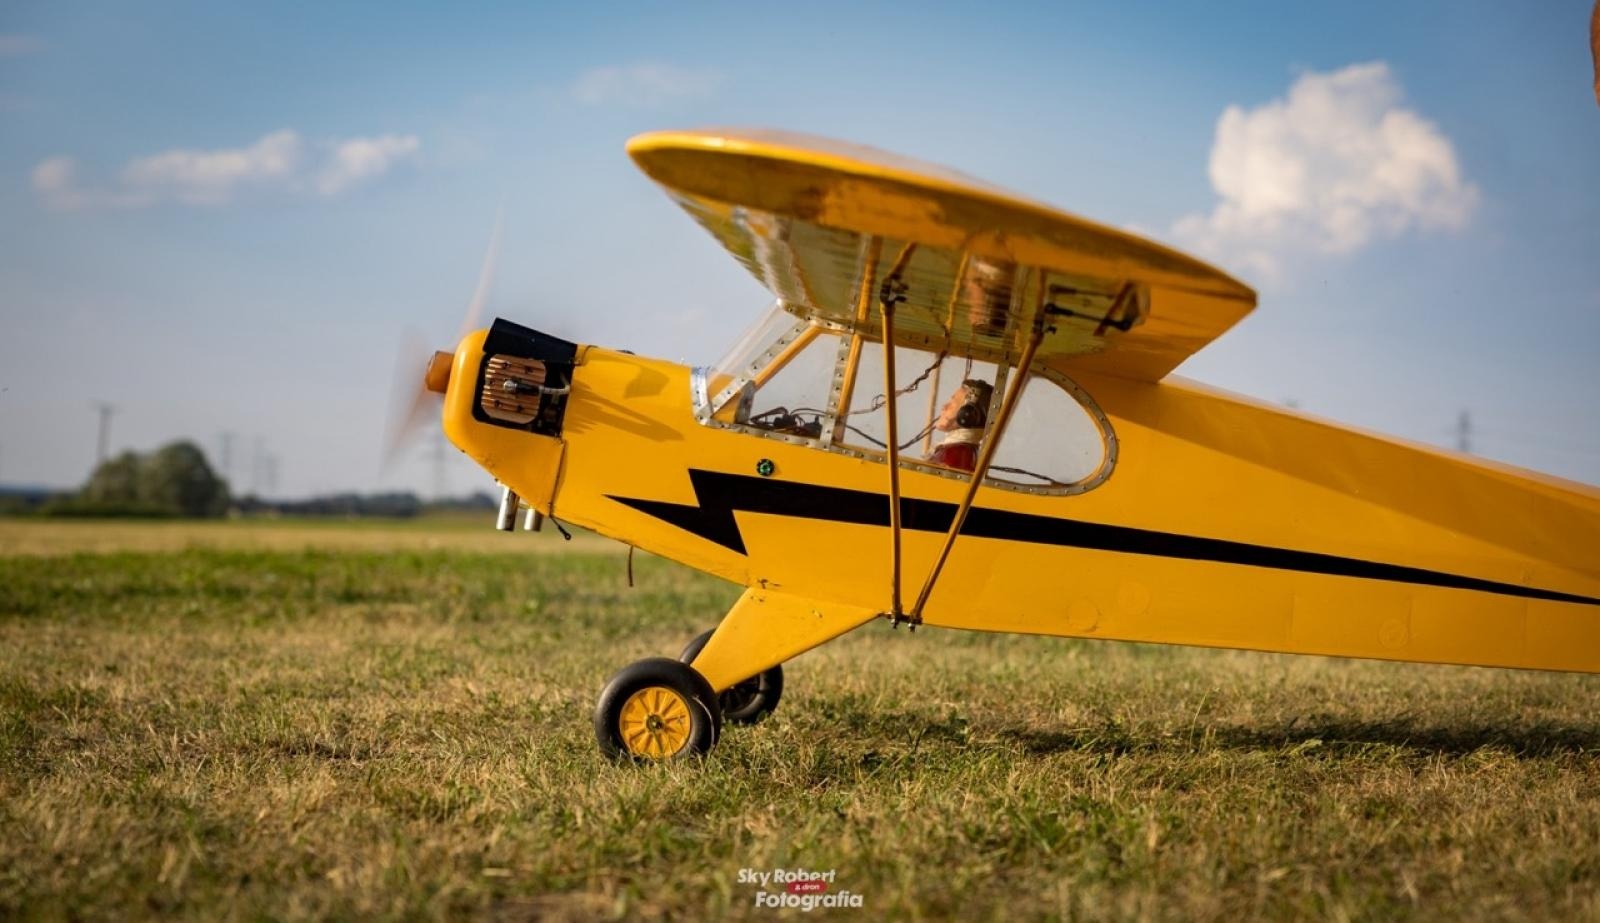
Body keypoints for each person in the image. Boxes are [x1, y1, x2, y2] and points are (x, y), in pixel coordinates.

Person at [927, 379, 993, 472]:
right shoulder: (963, 449)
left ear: (967, 414)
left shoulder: (957, 453)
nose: (944, 407)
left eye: (952, 402)